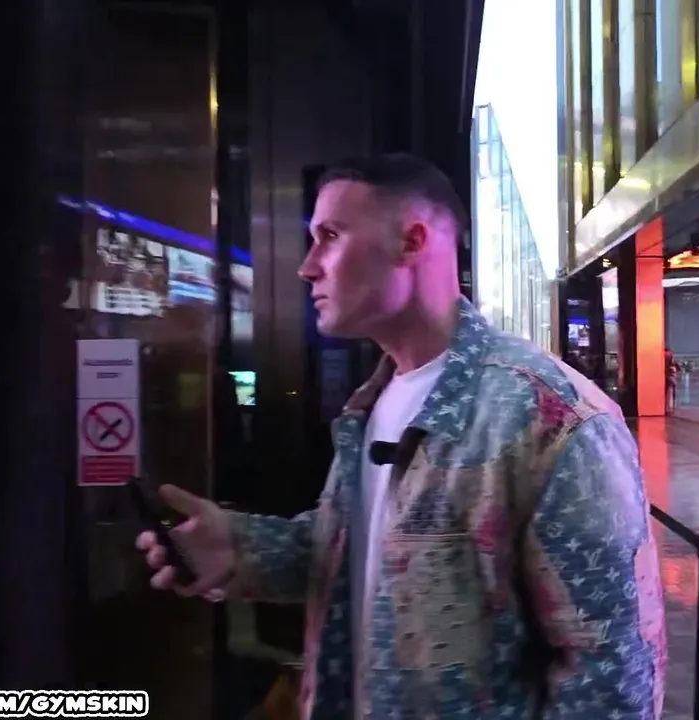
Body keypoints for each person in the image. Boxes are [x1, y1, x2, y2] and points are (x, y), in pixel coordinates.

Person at [134, 154, 666, 718]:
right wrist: (239, 548)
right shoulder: (374, 401)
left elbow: (610, 674)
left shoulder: (551, 415)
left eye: (330, 236)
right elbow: (364, 554)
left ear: (411, 243)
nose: (307, 267)